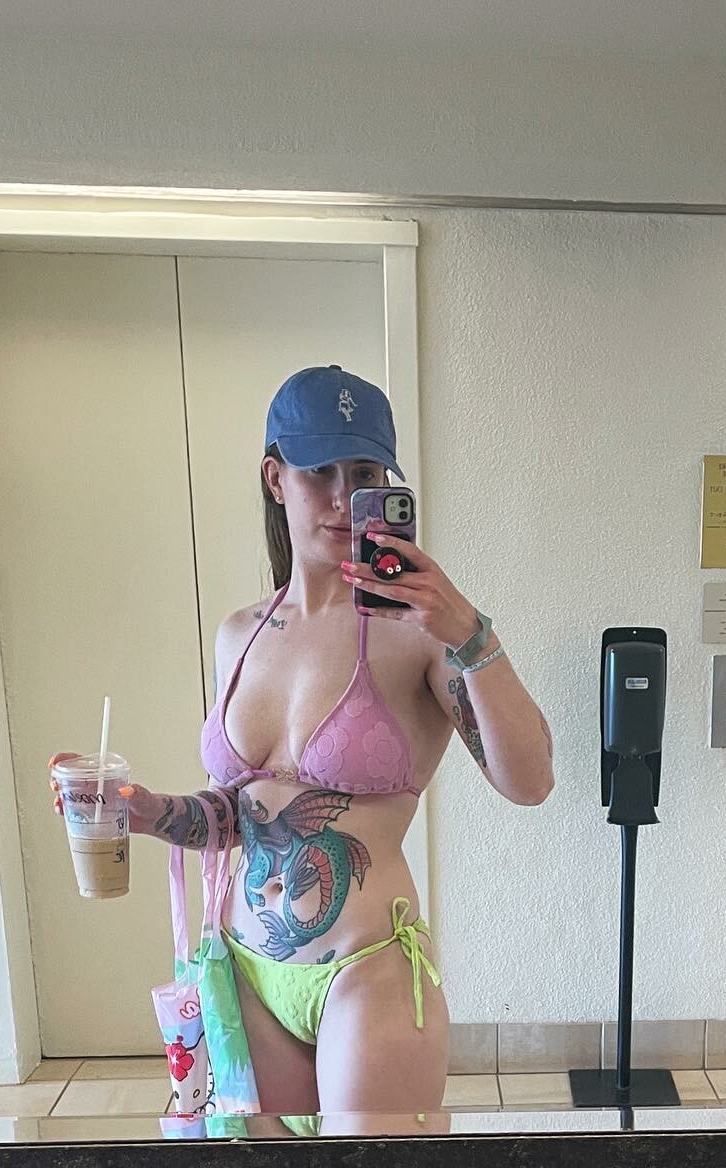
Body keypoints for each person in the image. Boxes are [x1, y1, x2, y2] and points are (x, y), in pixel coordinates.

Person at [53, 364, 553, 1113]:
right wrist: (147, 811)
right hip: (247, 974)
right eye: (320, 471)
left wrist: (470, 633)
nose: (345, 497)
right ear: (275, 478)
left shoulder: (419, 633)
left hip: (367, 972)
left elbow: (531, 780)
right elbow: (239, 812)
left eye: (365, 474)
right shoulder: (239, 636)